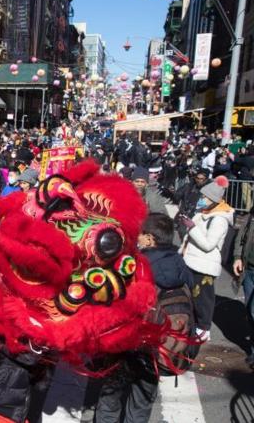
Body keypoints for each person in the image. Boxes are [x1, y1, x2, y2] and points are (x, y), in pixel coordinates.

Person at [95, 213, 193, 423]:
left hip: (126, 345)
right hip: (158, 349)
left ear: (149, 239)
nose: (136, 238)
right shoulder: (180, 265)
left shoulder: (135, 266)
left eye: (140, 234)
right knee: (141, 404)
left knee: (110, 398)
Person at [179, 176, 233, 342]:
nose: (201, 199)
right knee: (191, 297)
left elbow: (209, 245)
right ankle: (194, 326)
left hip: (205, 266)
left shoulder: (220, 219)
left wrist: (192, 228)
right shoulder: (204, 213)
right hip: (192, 262)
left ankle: (203, 329)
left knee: (203, 299)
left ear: (213, 199)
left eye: (204, 197)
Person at [232, 207, 254, 369]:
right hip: (249, 270)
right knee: (250, 311)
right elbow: (241, 236)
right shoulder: (251, 215)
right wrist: (237, 257)